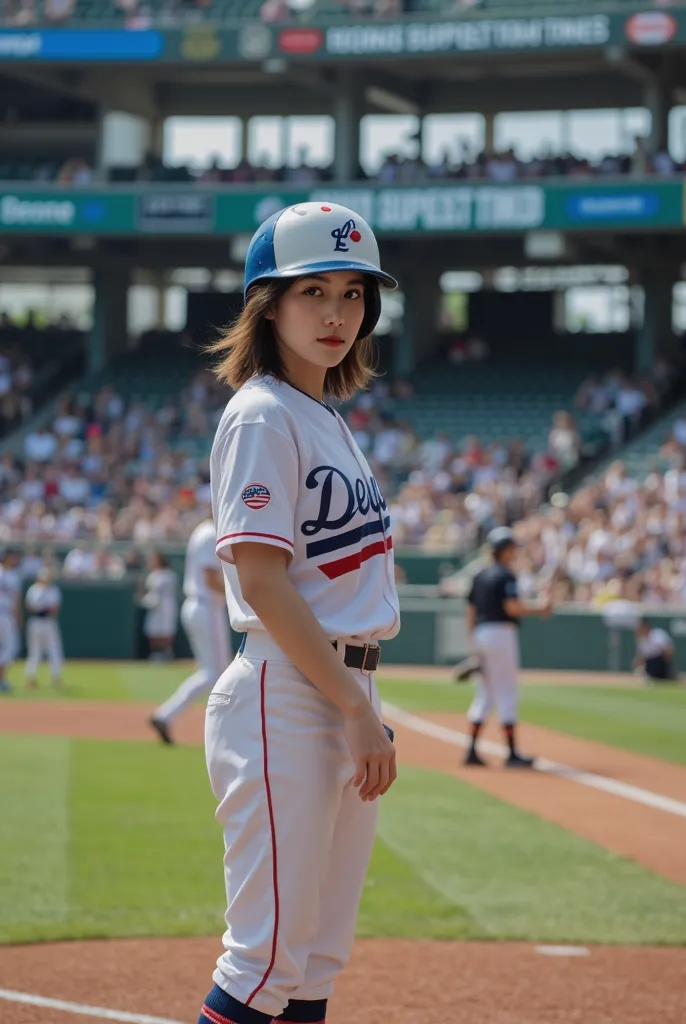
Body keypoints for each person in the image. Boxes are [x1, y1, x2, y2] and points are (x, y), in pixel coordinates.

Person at [197, 201, 399, 1024]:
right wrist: (354, 707)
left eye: (353, 294)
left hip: (342, 690)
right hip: (290, 695)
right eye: (312, 290)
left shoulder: (326, 418)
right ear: (267, 306)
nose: (335, 313)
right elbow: (265, 582)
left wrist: (363, 705)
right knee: (266, 958)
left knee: (313, 961)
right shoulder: (261, 412)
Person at [463, 527, 551, 768]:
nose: (514, 553)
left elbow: (470, 612)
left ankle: (470, 750)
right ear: (504, 550)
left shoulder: (479, 575)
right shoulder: (506, 576)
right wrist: (538, 608)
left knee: (485, 691)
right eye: (512, 548)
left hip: (481, 633)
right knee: (506, 689)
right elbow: (512, 607)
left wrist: (472, 644)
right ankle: (512, 753)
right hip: (501, 633)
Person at [149, 517, 231, 744]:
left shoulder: (204, 530)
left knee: (211, 672)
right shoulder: (208, 533)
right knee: (216, 673)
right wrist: (240, 594)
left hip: (202, 606)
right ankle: (221, 730)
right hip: (206, 606)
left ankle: (165, 715)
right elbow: (210, 578)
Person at [24, 567, 64, 688]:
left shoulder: (54, 589)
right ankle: (31, 678)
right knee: (34, 651)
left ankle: (56, 677)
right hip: (36, 621)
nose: (46, 580)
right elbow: (30, 606)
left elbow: (55, 607)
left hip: (49, 621)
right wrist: (44, 607)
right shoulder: (34, 589)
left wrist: (44, 608)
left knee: (54, 650)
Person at [141, 551, 178, 661]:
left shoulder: (169, 575)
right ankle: (156, 654)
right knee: (153, 630)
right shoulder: (152, 575)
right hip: (154, 608)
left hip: (166, 607)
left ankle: (167, 653)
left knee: (167, 631)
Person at [0, 548, 22, 691]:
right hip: (5, 615)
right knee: (10, 647)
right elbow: (16, 601)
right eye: (12, 556)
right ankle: (1, 681)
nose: (14, 559)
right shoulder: (12, 576)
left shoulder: (12, 574)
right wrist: (18, 619)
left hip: (5, 614)